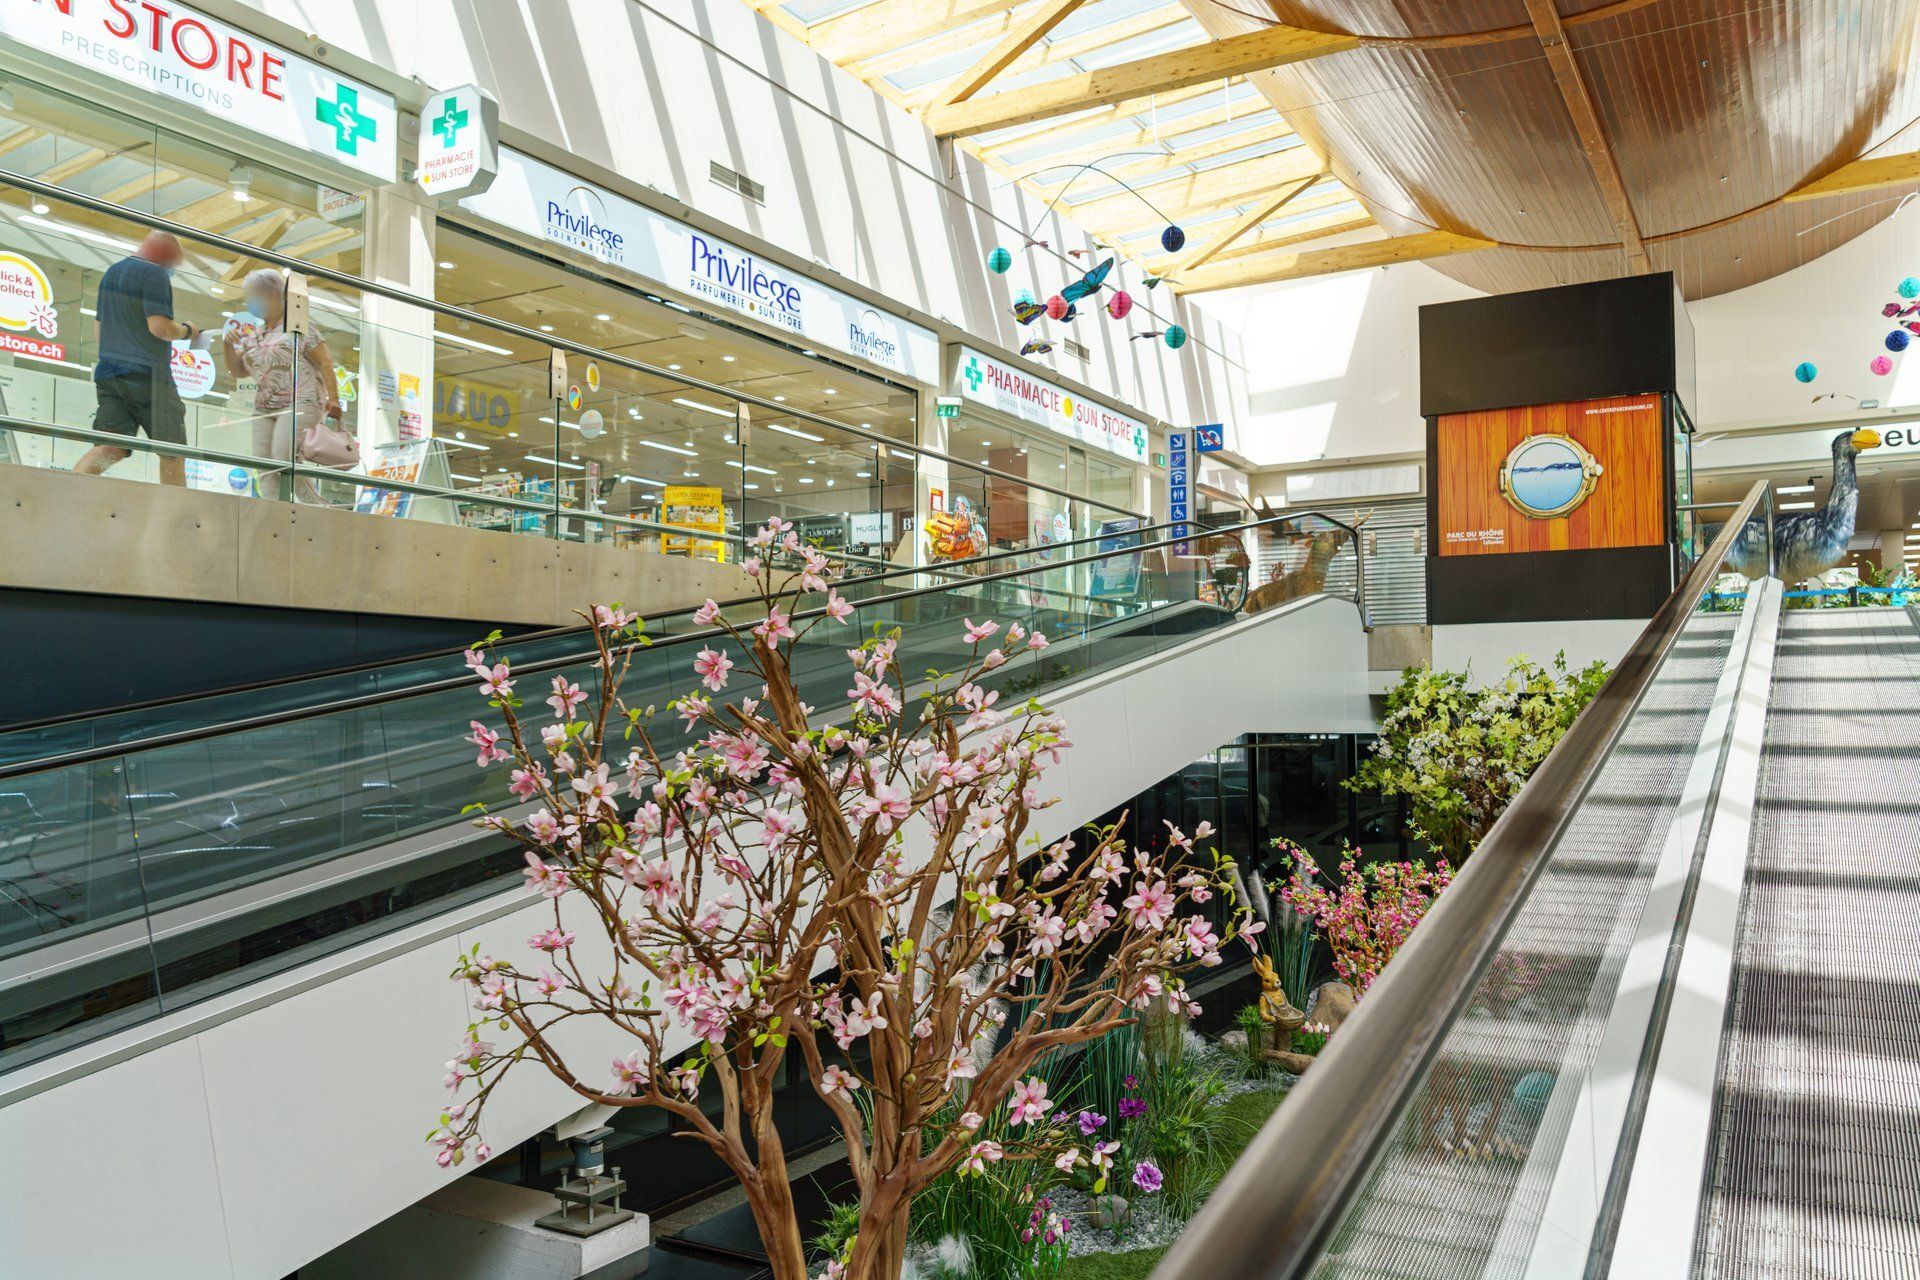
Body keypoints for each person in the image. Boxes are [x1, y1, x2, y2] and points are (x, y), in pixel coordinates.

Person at [73, 232, 200, 487]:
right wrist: (187, 331)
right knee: (172, 451)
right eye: (173, 264)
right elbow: (160, 328)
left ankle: (69, 493)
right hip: (149, 377)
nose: (172, 270)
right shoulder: (155, 273)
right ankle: (173, 519)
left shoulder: (112, 273)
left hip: (110, 373)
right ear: (163, 256)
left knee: (110, 447)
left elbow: (99, 331)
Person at [223, 267, 342, 503]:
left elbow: (325, 363)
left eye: (255, 294)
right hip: (265, 407)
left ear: (274, 294)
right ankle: (274, 516)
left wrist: (334, 397)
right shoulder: (255, 335)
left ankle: (319, 509)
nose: (251, 301)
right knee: (264, 466)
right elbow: (238, 371)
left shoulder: (299, 327)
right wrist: (228, 346)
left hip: (301, 402)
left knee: (284, 458)